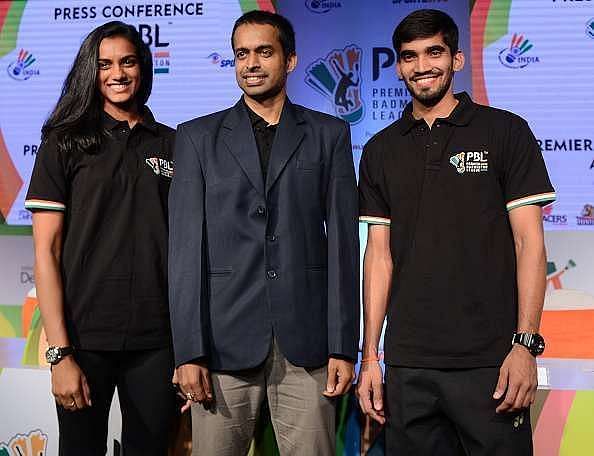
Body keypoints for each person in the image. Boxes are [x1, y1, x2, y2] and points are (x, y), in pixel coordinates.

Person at [356, 9, 555, 455]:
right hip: (409, 366)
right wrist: (371, 358)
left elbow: (529, 245)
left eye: (434, 52)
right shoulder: (379, 150)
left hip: (492, 363)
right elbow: (379, 257)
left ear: (457, 59)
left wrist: (525, 346)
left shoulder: (505, 131)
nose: (422, 66)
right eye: (410, 56)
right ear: (399, 65)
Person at [168, 10, 359, 456]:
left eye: (263, 52)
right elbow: (184, 254)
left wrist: (343, 346)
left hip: (308, 346)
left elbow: (344, 251)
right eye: (242, 54)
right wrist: (188, 352)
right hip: (221, 344)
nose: (251, 63)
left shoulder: (329, 135)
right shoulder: (197, 137)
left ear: (290, 60)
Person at [26, 21, 176, 455]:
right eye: (105, 64)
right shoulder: (63, 144)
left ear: (143, 68)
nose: (118, 73)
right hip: (83, 340)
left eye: (127, 62)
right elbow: (46, 253)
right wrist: (60, 354)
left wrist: (190, 353)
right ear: (90, 72)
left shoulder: (174, 145)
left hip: (158, 342)